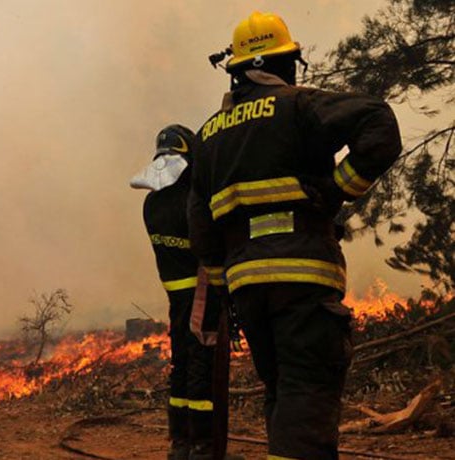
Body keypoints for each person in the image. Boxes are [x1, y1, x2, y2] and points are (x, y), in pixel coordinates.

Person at [188, 11, 402, 460]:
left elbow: (201, 224)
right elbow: (380, 124)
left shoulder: (207, 137)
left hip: (247, 289)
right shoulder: (298, 106)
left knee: (282, 392)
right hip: (303, 277)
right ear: (283, 64)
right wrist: (340, 188)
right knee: (306, 392)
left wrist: (225, 287)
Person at [131, 125, 242, 460]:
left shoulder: (151, 204)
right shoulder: (193, 202)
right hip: (202, 294)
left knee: (180, 363)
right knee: (203, 367)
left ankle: (180, 443)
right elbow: (212, 242)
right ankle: (204, 446)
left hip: (176, 296)